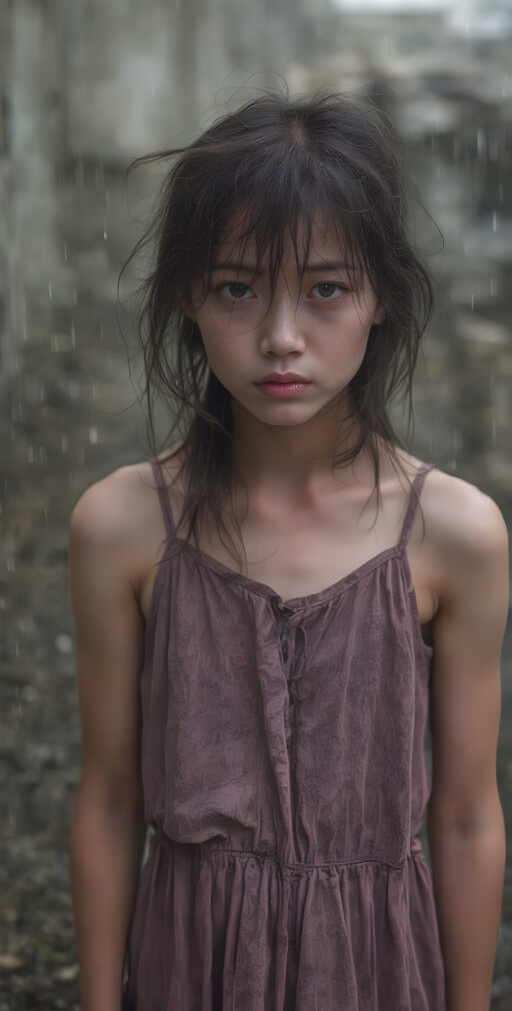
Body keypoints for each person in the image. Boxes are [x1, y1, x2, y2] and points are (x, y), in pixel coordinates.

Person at [68, 88, 509, 1011]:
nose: (281, 337)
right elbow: (108, 800)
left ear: (381, 296)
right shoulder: (124, 525)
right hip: (191, 969)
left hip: (377, 973)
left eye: (326, 289)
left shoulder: (453, 534)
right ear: (190, 295)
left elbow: (466, 817)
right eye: (238, 287)